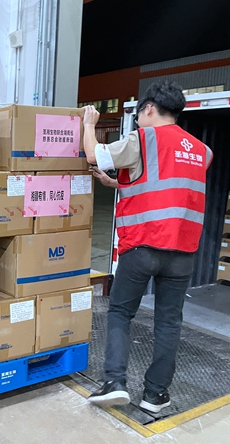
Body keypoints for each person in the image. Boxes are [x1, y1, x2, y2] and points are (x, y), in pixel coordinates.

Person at [82, 81, 213, 413]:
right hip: (182, 253)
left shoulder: (142, 139)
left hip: (142, 246)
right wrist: (117, 183)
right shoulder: (202, 151)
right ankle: (155, 395)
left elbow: (94, 155)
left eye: (140, 113)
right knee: (169, 321)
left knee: (121, 312)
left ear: (149, 108)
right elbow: (162, 185)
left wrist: (89, 125)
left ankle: (115, 382)